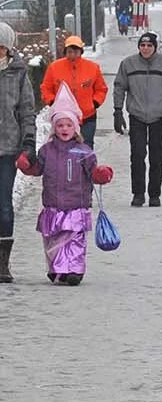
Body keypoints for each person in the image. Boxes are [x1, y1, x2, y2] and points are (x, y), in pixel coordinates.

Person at [15, 82, 114, 285]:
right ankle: (57, 268)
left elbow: (93, 174)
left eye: (68, 125)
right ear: (54, 128)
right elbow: (37, 170)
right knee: (54, 239)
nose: (64, 129)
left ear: (75, 128)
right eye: (60, 125)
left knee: (75, 239)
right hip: (53, 204)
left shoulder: (84, 152)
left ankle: (75, 270)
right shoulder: (47, 151)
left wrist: (101, 174)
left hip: (76, 204)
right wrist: (26, 166)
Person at [112, 31, 162, 207]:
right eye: (142, 45)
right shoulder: (128, 64)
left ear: (155, 47)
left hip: (159, 116)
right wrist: (118, 111)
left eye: (149, 45)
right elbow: (119, 86)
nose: (145, 48)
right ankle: (138, 193)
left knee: (156, 158)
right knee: (137, 156)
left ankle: (154, 194)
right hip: (137, 115)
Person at [0, 22, 38, 284]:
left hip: (7, 148)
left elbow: (27, 111)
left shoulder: (18, 73)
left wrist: (29, 144)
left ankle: (2, 263)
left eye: (1, 47)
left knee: (3, 205)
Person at [41, 35, 107, 147]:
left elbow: (101, 88)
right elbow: (45, 88)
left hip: (87, 117)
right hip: (63, 118)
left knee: (86, 147)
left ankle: (86, 165)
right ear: (65, 52)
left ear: (81, 52)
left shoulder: (93, 68)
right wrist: (53, 102)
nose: (72, 55)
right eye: (70, 51)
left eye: (76, 52)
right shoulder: (54, 67)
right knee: (63, 148)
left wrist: (94, 103)